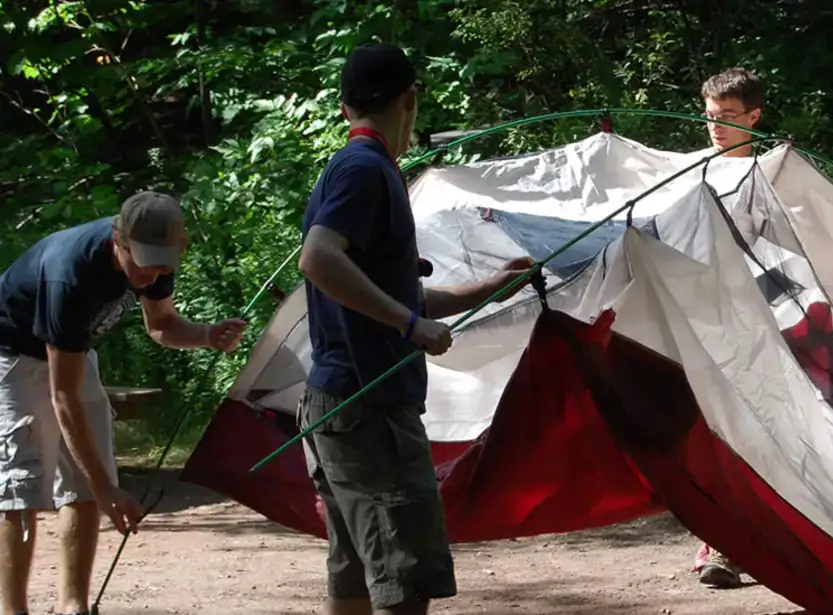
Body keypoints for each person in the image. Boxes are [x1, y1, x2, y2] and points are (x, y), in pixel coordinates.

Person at [296, 42, 534, 615]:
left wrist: (488, 286)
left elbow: (391, 293)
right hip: (367, 404)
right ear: (410, 99)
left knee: (355, 571)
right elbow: (318, 259)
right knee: (403, 581)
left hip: (340, 400)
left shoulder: (355, 166)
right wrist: (409, 325)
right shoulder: (363, 169)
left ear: (343, 105)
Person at [0, 191, 248, 615]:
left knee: (86, 477)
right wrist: (104, 488)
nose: (151, 277)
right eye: (143, 264)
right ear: (119, 239)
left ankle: (73, 607)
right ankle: (12, 609)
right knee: (20, 486)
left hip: (74, 353)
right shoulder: (70, 274)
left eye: (162, 267)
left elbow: (163, 326)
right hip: (14, 352)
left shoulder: (156, 262)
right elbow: (64, 396)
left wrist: (207, 335)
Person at [689, 66, 764, 590]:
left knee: (756, 431)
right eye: (710, 116)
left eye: (728, 117)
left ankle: (737, 544)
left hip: (760, 323)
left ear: (754, 118)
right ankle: (721, 540)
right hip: (701, 319)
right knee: (710, 432)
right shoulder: (688, 172)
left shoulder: (771, 173)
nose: (716, 126)